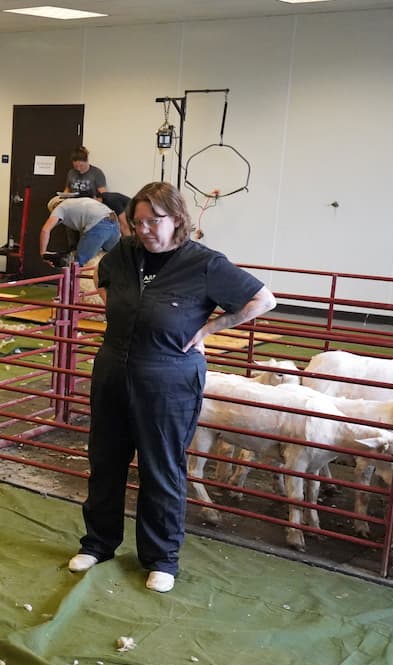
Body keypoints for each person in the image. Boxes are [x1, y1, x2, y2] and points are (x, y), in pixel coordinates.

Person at [70, 182, 276, 593]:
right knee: (105, 460)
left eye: (155, 221)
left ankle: (161, 557)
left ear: (177, 219)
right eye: (138, 221)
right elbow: (103, 282)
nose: (145, 229)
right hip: (113, 370)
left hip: (169, 379)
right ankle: (98, 543)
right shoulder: (122, 254)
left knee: (161, 467)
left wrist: (212, 327)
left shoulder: (204, 263)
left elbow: (263, 299)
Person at [40, 195, 122, 267]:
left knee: (78, 263)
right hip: (113, 221)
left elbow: (45, 230)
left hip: (98, 224)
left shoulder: (59, 208)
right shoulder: (79, 202)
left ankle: (76, 284)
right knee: (115, 258)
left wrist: (43, 253)